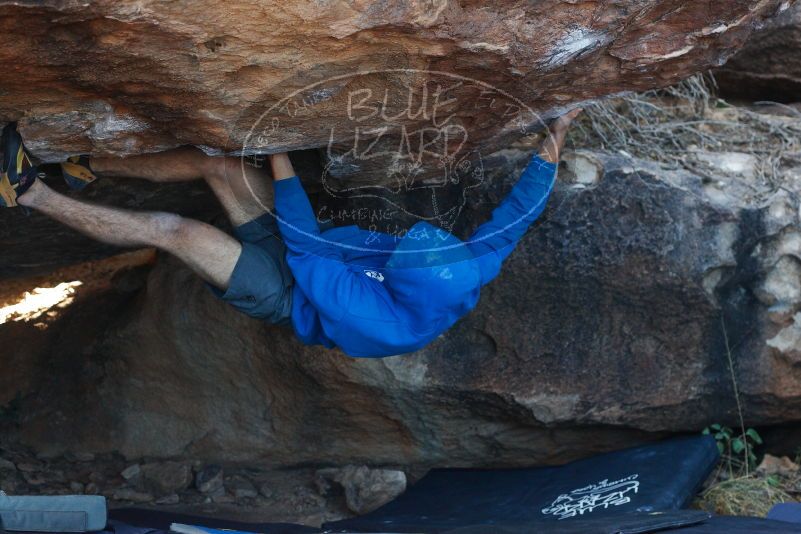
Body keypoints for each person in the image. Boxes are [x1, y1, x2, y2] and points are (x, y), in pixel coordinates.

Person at [1, 109, 582, 357]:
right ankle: (85, 165)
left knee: (177, 230)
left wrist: (279, 154)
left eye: (401, 248)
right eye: (415, 235)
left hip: (287, 290)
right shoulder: (470, 263)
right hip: (315, 251)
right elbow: (518, 213)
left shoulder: (376, 319)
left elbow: (305, 246)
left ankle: (26, 190)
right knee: (223, 168)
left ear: (396, 283)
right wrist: (554, 136)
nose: (403, 235)